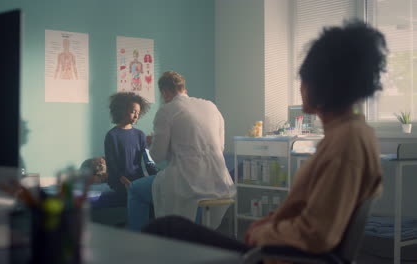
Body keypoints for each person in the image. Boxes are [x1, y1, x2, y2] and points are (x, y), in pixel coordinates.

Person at [142, 20, 386, 262]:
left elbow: (318, 234)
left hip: (275, 255)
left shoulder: (346, 144)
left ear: (323, 84)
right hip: (278, 248)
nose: (301, 86)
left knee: (167, 229)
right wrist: (272, 220)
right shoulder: (351, 134)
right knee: (171, 228)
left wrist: (264, 232)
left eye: (304, 78)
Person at [125, 71, 236, 231]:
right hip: (220, 182)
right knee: (194, 201)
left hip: (188, 182)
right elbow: (220, 146)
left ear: (164, 92)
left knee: (135, 189)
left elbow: (157, 156)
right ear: (183, 88)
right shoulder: (210, 106)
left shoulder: (167, 110)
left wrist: (153, 142)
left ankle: (140, 241)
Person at [103, 92, 158, 206]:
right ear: (122, 111)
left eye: (138, 113)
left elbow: (148, 161)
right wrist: (124, 181)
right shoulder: (112, 135)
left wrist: (157, 177)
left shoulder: (140, 135)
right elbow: (112, 165)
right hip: (119, 181)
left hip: (137, 180)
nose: (136, 116)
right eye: (133, 112)